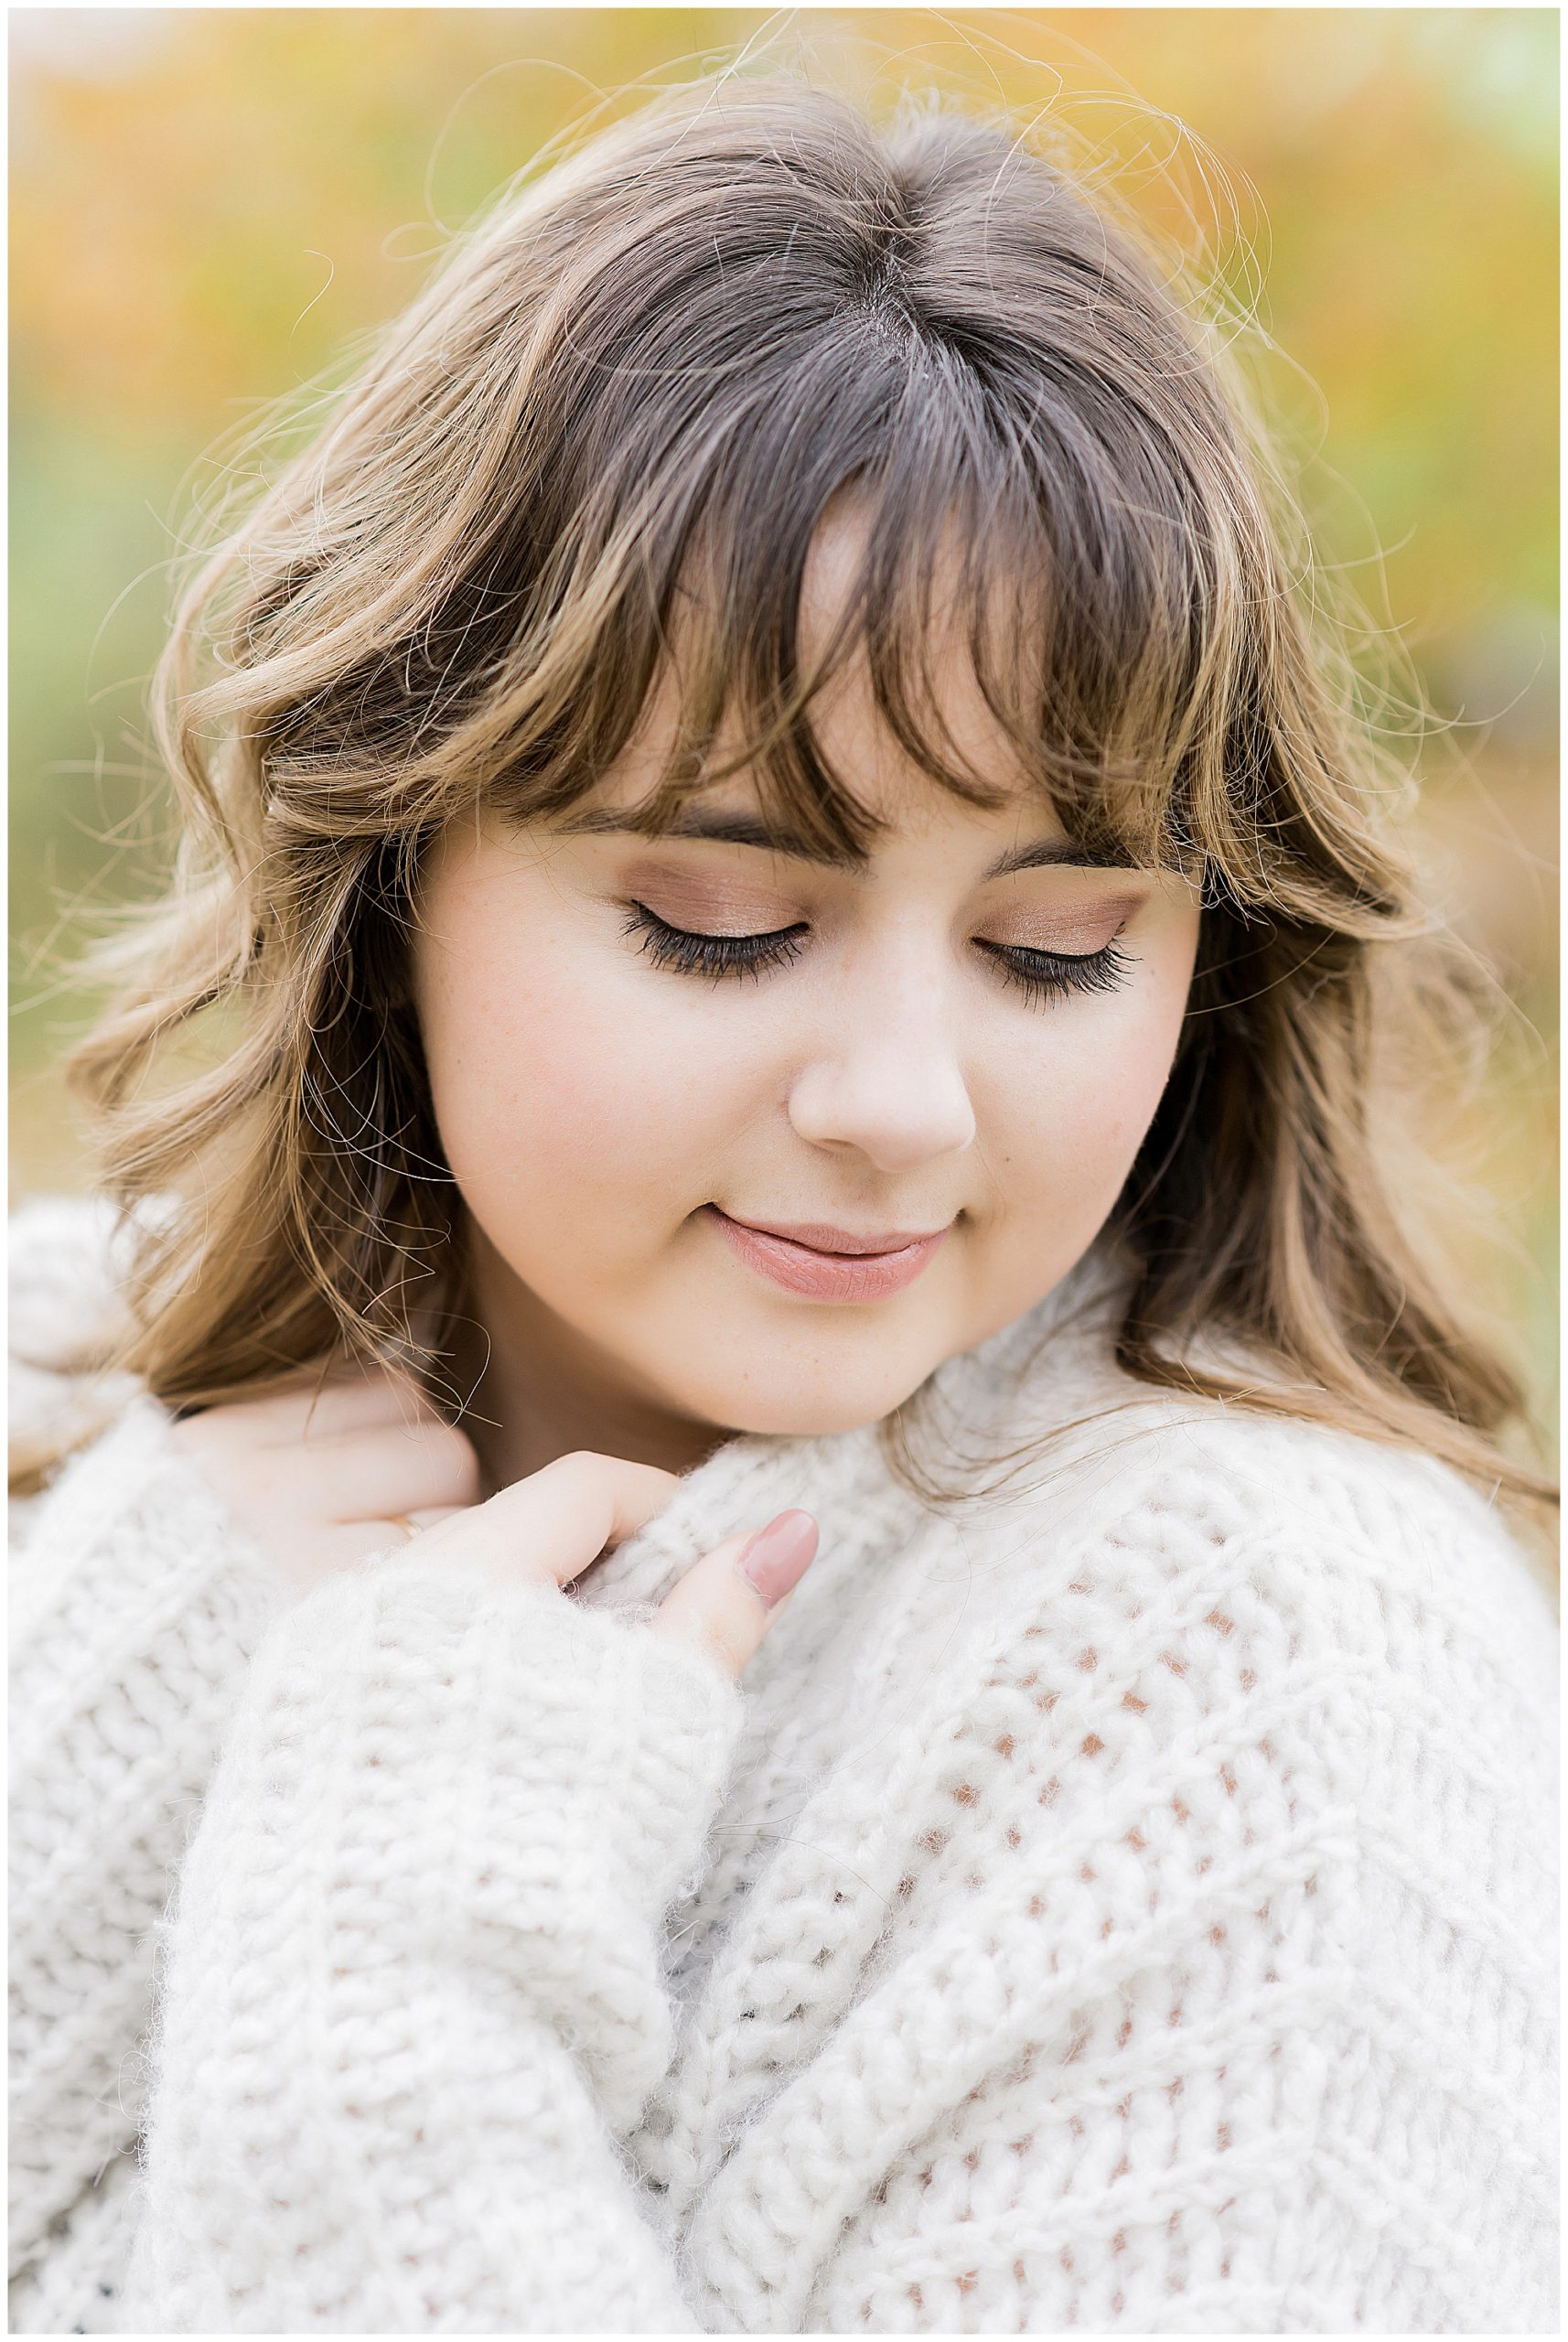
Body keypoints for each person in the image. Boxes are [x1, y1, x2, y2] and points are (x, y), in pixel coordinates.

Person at [9, 70, 1557, 2337]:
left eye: (1055, 947)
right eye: (726, 918)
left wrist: (380, 1988)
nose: (903, 1103)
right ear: (386, 863)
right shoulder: (58, 1419)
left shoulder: (1248, 1658)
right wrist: (143, 1664)